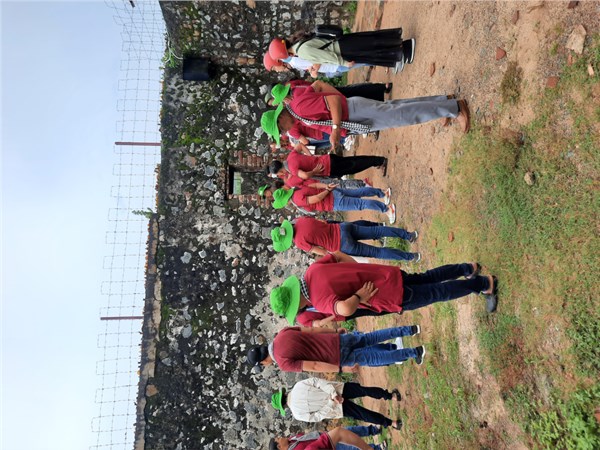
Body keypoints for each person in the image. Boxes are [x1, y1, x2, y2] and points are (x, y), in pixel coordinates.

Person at [268, 254, 498, 330]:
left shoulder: (318, 300)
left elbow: (345, 309)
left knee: (436, 293)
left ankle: (482, 284)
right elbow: (338, 255)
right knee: (428, 277)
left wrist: (359, 297)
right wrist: (358, 271)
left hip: (387, 294)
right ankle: (467, 268)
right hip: (385, 275)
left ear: (296, 304)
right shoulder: (312, 270)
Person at [261, 81, 471, 150]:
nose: (285, 132)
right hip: (353, 114)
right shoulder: (297, 110)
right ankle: (443, 103)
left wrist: (335, 129)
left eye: (280, 129)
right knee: (399, 108)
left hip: (353, 112)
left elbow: (332, 102)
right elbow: (318, 86)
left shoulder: (299, 109)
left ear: (280, 118)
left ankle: (455, 107)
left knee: (402, 115)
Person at [246, 325, 425, 373]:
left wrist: (338, 369)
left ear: (263, 361)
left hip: (335, 357)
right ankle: (410, 329)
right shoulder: (282, 333)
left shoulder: (283, 363)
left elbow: (314, 365)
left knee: (372, 358)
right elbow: (312, 330)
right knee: (371, 337)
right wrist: (334, 331)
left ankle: (415, 352)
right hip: (335, 339)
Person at [271, 217, 420, 262]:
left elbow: (321, 251)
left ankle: (411, 257)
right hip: (342, 228)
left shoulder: (299, 242)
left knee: (377, 252)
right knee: (376, 231)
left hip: (342, 245)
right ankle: (409, 235)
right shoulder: (300, 220)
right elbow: (322, 222)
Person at [269, 28, 415, 74]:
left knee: (372, 50)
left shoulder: (302, 52)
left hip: (342, 50)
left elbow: (326, 56)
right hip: (342, 43)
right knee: (371, 42)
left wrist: (344, 63)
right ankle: (401, 46)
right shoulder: (298, 43)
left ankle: (404, 50)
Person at [271, 377, 402, 428]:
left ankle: (392, 423)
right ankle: (392, 396)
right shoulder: (298, 386)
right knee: (364, 391)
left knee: (363, 414)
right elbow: (318, 382)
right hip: (338, 389)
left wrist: (331, 403)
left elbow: (317, 416)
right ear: (284, 394)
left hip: (336, 409)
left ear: (284, 407)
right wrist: (333, 394)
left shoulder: (297, 414)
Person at [268, 183, 397, 224]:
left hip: (332, 202)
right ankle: (383, 193)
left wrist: (326, 191)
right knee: (357, 193)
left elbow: (317, 199)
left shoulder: (297, 200)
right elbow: (314, 185)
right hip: (333, 193)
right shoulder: (296, 188)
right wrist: (327, 187)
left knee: (360, 204)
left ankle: (387, 209)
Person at [269, 425, 388, 450]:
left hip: (323, 437)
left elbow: (307, 436)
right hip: (327, 445)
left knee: (350, 431)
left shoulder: (292, 439)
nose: (280, 437)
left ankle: (373, 430)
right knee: (352, 448)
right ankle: (377, 448)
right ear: (279, 446)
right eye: (278, 439)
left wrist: (322, 433)